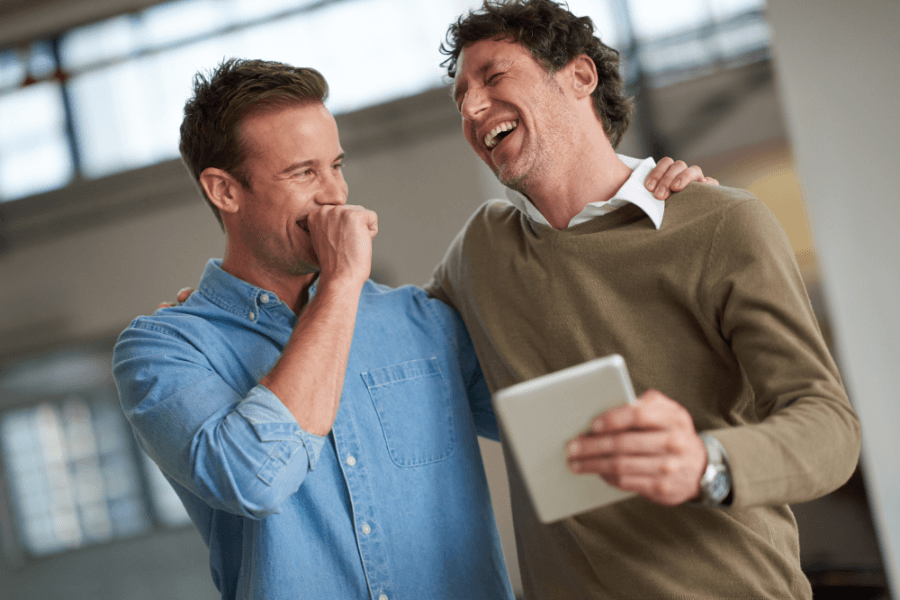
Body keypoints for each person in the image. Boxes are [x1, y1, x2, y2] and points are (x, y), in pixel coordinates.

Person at [113, 58, 706, 600]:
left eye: (336, 166)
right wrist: (342, 285)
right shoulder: (164, 350)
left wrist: (649, 231)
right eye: (303, 173)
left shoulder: (422, 322)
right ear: (224, 190)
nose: (335, 194)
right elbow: (253, 479)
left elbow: (585, 421)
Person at [426, 1, 861, 598]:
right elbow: (399, 362)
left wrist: (706, 461)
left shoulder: (720, 223)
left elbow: (829, 429)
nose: (472, 108)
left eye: (494, 77)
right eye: (461, 98)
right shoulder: (481, 252)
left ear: (580, 76)